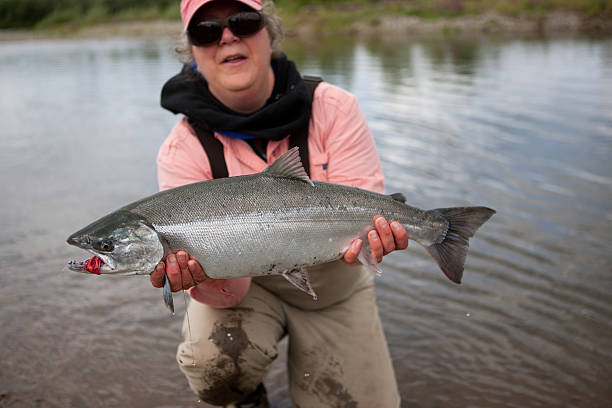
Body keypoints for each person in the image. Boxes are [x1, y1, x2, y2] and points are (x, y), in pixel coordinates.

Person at [150, 0, 408, 406]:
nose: (227, 35)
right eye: (206, 31)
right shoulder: (182, 149)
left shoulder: (335, 108)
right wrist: (196, 276)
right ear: (192, 52)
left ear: (268, 32)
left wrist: (377, 237)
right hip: (241, 289)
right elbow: (228, 291)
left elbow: (368, 214)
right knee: (213, 367)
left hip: (335, 289)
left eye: (243, 21)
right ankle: (247, 395)